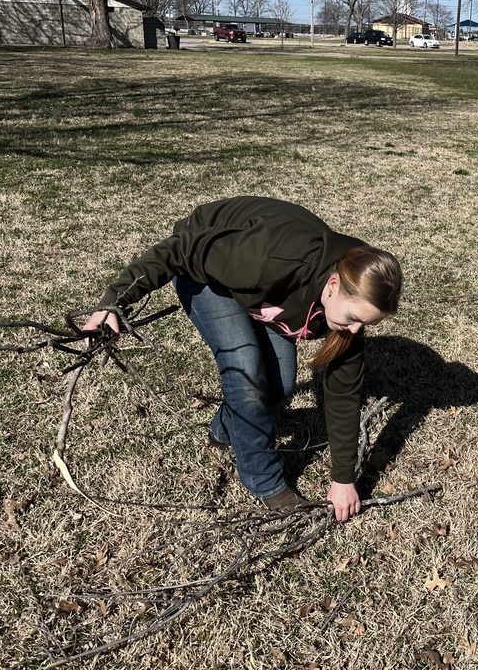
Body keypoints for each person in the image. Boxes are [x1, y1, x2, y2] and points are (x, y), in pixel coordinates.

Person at [83, 196, 403, 522]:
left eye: (366, 324)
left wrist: (343, 479)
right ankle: (264, 480)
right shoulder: (270, 258)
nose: (356, 330)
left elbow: (343, 391)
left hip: (261, 287)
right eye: (353, 318)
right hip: (207, 271)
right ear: (333, 285)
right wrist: (114, 303)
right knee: (247, 376)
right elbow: (178, 250)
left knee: (280, 384)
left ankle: (226, 429)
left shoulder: (348, 300)